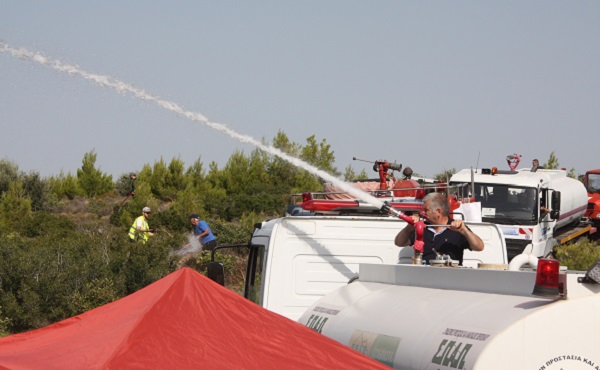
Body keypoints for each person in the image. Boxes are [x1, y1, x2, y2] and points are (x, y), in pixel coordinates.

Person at [394, 192, 484, 265]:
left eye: (426, 210)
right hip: (424, 278)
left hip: (450, 279)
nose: (422, 213)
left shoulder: (458, 228)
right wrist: (409, 227)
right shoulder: (422, 227)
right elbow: (399, 242)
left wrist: (464, 231)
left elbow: (479, 247)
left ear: (438, 212)